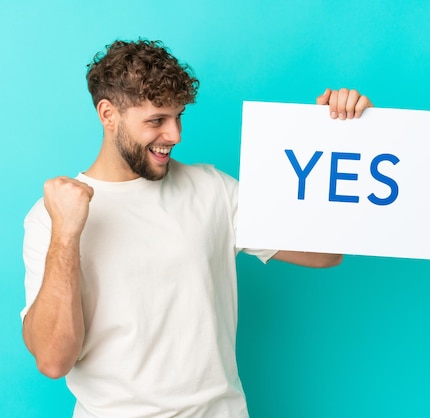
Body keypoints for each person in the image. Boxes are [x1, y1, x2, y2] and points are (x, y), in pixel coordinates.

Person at [21, 39, 373, 418]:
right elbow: (54, 361)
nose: (175, 135)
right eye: (157, 120)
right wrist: (67, 233)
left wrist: (337, 139)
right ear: (108, 114)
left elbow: (325, 254)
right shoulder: (51, 216)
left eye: (178, 116)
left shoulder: (213, 189)